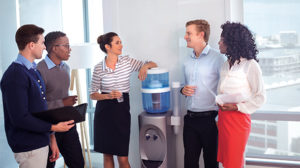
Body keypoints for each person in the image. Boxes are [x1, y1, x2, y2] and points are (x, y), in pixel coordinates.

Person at [0, 24, 74, 168]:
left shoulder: (34, 71)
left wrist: (52, 139)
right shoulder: (15, 75)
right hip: (29, 146)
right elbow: (20, 118)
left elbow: (41, 111)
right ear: (31, 45)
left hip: (42, 141)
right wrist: (55, 127)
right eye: (42, 43)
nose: (45, 47)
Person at [90, 32, 157, 168]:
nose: (121, 45)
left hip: (121, 111)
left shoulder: (127, 62)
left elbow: (153, 64)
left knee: (122, 157)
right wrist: (108, 96)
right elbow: (92, 94)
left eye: (120, 42)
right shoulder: (98, 68)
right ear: (108, 47)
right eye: (117, 43)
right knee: (107, 155)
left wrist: (144, 67)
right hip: (103, 112)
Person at [217, 22, 266, 168]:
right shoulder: (226, 64)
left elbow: (260, 97)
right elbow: (224, 91)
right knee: (226, 162)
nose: (218, 42)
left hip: (238, 120)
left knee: (234, 162)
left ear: (232, 42)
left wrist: (235, 107)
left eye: (222, 40)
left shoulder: (250, 65)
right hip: (223, 118)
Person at [181, 19, 226, 168]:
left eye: (189, 33)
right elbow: (183, 84)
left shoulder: (219, 58)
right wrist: (182, 89)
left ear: (201, 35)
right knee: (189, 164)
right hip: (190, 120)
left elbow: (226, 90)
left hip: (210, 121)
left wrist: (220, 118)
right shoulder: (186, 59)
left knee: (211, 164)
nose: (185, 36)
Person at [37, 31, 84, 168]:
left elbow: (61, 95)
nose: (70, 49)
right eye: (66, 46)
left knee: (78, 164)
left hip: (68, 124)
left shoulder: (66, 68)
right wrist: (62, 103)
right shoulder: (39, 70)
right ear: (54, 48)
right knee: (48, 165)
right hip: (49, 127)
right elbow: (38, 106)